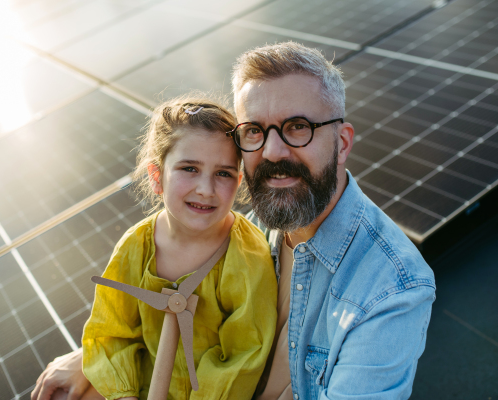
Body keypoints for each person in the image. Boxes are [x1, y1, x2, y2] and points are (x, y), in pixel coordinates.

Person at [32, 41, 436, 400]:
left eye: (298, 127)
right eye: (255, 131)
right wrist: (89, 358)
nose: (274, 151)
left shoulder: (390, 290)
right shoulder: (255, 225)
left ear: (342, 142)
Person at [34, 93, 278, 400]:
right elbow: (113, 330)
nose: (206, 189)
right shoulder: (137, 245)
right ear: (156, 176)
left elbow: (245, 354)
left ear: (239, 180)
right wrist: (124, 394)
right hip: (143, 383)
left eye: (223, 174)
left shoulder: (246, 254)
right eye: (189, 168)